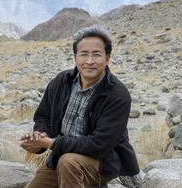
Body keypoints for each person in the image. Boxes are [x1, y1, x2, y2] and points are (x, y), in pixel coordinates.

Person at [20, 25, 139, 188]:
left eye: (96, 54)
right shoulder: (62, 81)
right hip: (60, 158)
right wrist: (38, 138)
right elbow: (43, 117)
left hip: (100, 161)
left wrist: (50, 143)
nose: (89, 61)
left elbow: (99, 145)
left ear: (107, 57)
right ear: (75, 57)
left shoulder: (117, 94)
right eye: (84, 54)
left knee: (68, 162)